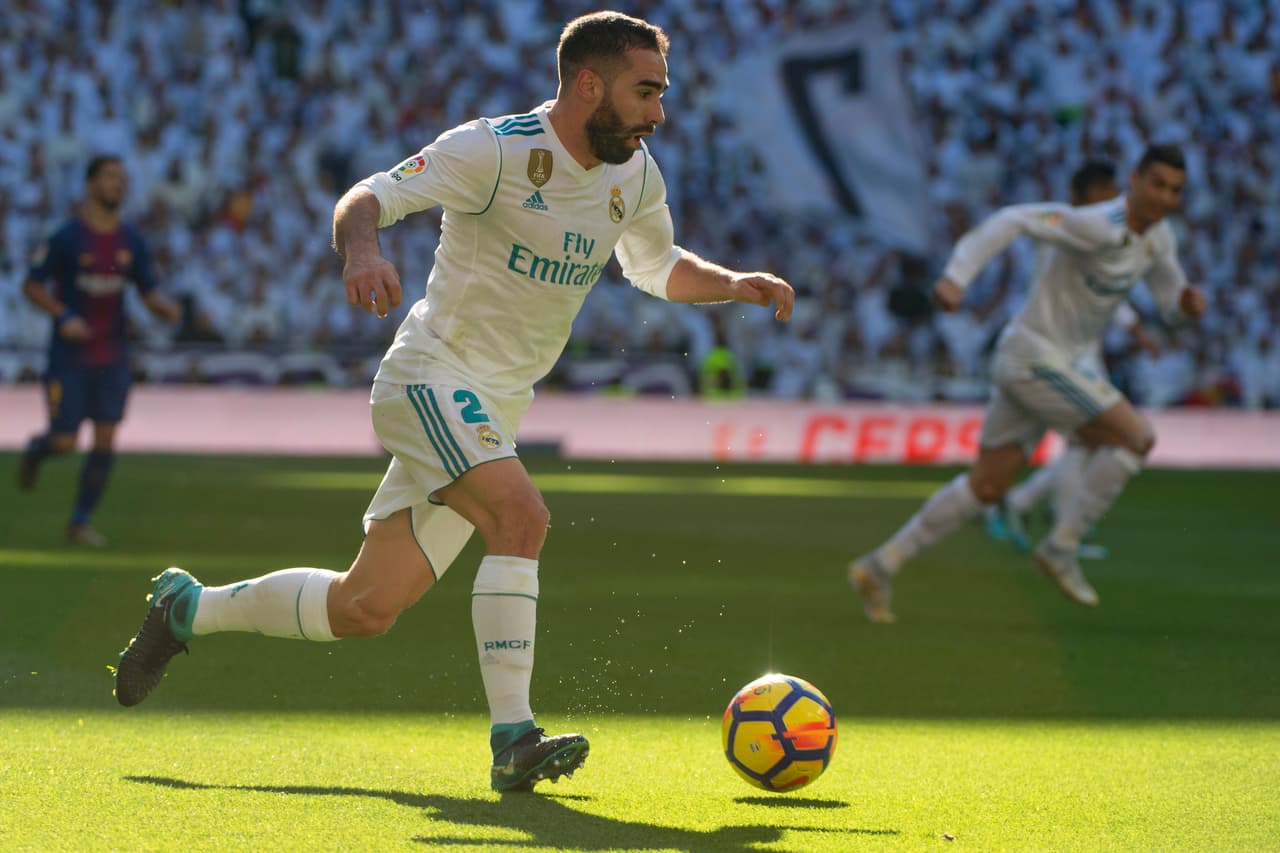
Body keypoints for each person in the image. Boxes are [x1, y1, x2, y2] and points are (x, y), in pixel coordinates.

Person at [114, 12, 794, 793]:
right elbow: (365, 197)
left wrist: (731, 283)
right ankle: (514, 736)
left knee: (364, 606)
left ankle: (187, 609)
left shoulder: (635, 176)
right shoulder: (496, 150)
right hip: (430, 377)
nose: (659, 114)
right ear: (588, 84)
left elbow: (657, 265)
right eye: (647, 92)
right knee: (522, 516)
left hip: (491, 411)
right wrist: (364, 251)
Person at [848, 144, 1205, 623]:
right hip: (1038, 357)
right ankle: (1063, 545)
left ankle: (880, 564)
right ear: (1136, 180)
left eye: (1175, 190)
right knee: (1135, 437)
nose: (1164, 197)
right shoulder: (1096, 224)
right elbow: (1012, 218)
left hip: (1042, 363)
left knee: (987, 487)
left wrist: (1185, 308)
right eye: (1157, 184)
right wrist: (957, 276)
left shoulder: (1159, 239)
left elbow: (1169, 304)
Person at [984, 160, 1162, 558]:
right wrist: (1137, 330)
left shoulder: (1087, 230)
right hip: (1066, 353)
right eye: (1105, 193)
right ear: (1083, 195)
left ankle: (1028, 507)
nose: (1113, 202)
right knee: (1090, 443)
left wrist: (1137, 331)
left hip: (1067, 350)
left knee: (1088, 444)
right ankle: (1060, 530)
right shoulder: (1081, 231)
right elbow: (1102, 292)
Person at [17, 155, 182, 545]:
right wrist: (63, 315)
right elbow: (31, 285)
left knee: (106, 438)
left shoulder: (131, 240)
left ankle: (79, 522)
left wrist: (165, 308)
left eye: (122, 179)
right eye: (110, 177)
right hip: (69, 357)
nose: (117, 185)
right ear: (91, 184)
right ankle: (38, 452)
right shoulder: (67, 237)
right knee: (65, 441)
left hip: (112, 355)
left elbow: (148, 289)